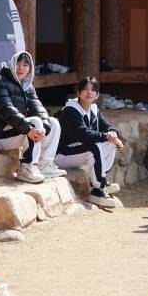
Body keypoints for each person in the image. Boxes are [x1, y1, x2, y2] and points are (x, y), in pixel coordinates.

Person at [0, 51, 65, 183]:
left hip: (15, 131)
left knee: (53, 122)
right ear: (12, 64)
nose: (21, 68)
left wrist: (44, 128)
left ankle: (44, 165)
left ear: (30, 69)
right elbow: (6, 109)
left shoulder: (28, 86)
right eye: (18, 64)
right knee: (35, 122)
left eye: (25, 65)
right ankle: (26, 168)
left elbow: (38, 107)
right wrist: (28, 129)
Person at [56, 77, 124, 208]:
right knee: (94, 147)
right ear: (78, 93)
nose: (89, 92)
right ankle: (97, 189)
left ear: (97, 94)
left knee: (110, 144)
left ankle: (97, 181)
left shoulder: (94, 109)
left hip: (78, 151)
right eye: (85, 89)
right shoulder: (71, 110)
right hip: (63, 154)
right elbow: (84, 134)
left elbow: (107, 126)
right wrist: (106, 136)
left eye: (93, 89)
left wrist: (113, 134)